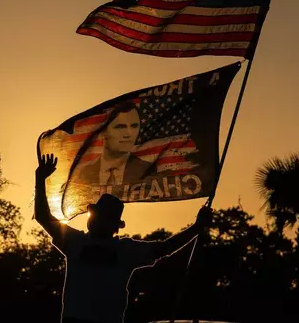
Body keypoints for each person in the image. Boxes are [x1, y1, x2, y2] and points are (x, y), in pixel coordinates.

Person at [35, 153, 212, 323]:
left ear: (112, 224)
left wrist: (196, 228)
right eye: (95, 216)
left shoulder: (120, 249)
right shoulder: (76, 241)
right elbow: (43, 217)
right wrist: (40, 180)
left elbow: (163, 248)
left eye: (100, 216)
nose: (94, 220)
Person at [74, 101, 152, 188]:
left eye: (134, 126)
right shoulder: (85, 173)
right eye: (120, 127)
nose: (128, 134)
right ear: (103, 132)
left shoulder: (146, 169)